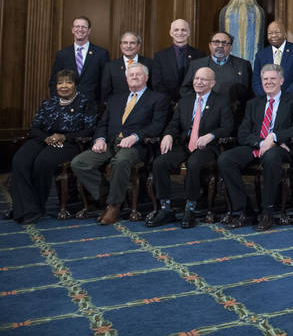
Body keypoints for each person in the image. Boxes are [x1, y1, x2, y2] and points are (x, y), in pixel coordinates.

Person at [71, 63, 169, 225]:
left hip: (137, 146)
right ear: (126, 78)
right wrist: (100, 139)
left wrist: (135, 136)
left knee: (120, 161)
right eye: (131, 75)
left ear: (146, 77)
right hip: (110, 143)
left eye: (138, 74)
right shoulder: (115, 99)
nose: (134, 77)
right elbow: (103, 124)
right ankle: (108, 197)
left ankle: (114, 206)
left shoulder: (158, 98)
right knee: (79, 162)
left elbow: (157, 125)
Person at [218, 64, 293, 231]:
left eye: (273, 78)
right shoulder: (253, 103)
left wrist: (273, 137)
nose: (268, 82)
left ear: (281, 81)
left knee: (271, 156)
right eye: (265, 79)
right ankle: (245, 210)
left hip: (282, 147)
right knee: (226, 159)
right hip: (256, 145)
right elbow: (243, 133)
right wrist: (261, 142)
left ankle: (267, 212)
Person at [145, 67, 233, 228]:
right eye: (196, 78)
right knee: (160, 163)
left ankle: (190, 208)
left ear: (212, 83)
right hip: (184, 144)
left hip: (208, 146)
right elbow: (174, 124)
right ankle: (165, 209)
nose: (199, 82)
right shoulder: (185, 100)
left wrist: (211, 135)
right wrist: (168, 135)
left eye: (203, 79)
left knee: (194, 163)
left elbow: (227, 127)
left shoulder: (221, 101)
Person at [9, 70, 97, 224]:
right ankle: (22, 207)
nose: (64, 86)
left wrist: (64, 137)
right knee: (20, 161)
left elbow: (90, 129)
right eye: (60, 83)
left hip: (69, 142)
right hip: (43, 139)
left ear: (76, 85)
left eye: (69, 82)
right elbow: (35, 127)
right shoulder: (48, 103)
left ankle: (35, 208)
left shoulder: (85, 103)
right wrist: (46, 138)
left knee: (43, 161)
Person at [180, 32, 253, 117]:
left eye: (225, 43)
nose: (220, 46)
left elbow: (249, 93)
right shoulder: (197, 64)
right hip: (204, 115)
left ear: (231, 47)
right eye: (216, 42)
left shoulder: (243, 65)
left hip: (234, 115)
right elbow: (185, 90)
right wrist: (200, 103)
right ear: (210, 45)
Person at [49, 16, 110, 104]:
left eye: (84, 27)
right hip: (66, 104)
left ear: (89, 31)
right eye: (77, 26)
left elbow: (106, 82)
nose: (80, 29)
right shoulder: (62, 54)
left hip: (92, 105)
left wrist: (102, 105)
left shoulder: (101, 54)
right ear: (72, 30)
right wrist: (58, 103)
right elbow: (54, 81)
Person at [151, 19, 205, 105]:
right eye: (176, 30)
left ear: (189, 33)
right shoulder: (160, 56)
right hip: (166, 105)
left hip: (192, 103)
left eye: (183, 30)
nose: (180, 33)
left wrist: (188, 101)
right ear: (171, 33)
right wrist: (171, 102)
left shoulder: (200, 55)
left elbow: (203, 80)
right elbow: (157, 84)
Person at [251, 21, 293, 98]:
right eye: (270, 33)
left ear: (285, 34)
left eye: (277, 32)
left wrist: (280, 98)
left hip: (291, 100)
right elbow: (256, 82)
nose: (273, 35)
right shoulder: (261, 55)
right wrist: (268, 97)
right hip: (267, 101)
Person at [100, 32, 153, 103]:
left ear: (138, 46)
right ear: (120, 45)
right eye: (125, 43)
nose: (128, 46)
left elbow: (154, 88)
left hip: (145, 106)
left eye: (132, 43)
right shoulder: (110, 66)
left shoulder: (150, 64)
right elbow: (106, 92)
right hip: (118, 106)